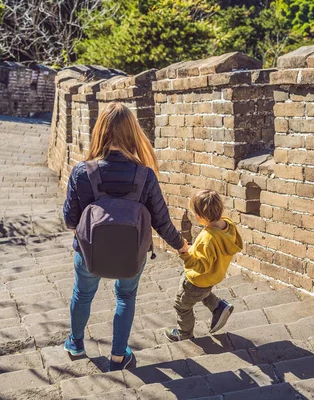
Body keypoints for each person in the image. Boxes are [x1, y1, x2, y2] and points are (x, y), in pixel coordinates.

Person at [62, 102, 188, 371]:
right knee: (125, 297)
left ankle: (75, 344)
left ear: (100, 131)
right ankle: (119, 355)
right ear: (133, 132)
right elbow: (162, 222)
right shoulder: (145, 175)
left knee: (82, 294)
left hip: (88, 252)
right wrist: (181, 246)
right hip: (132, 253)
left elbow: (70, 220)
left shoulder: (82, 172)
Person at [165, 189, 243, 342]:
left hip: (196, 280)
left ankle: (184, 334)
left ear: (200, 217)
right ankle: (219, 307)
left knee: (182, 305)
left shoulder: (208, 238)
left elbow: (200, 267)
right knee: (203, 293)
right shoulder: (228, 225)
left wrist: (184, 253)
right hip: (213, 276)